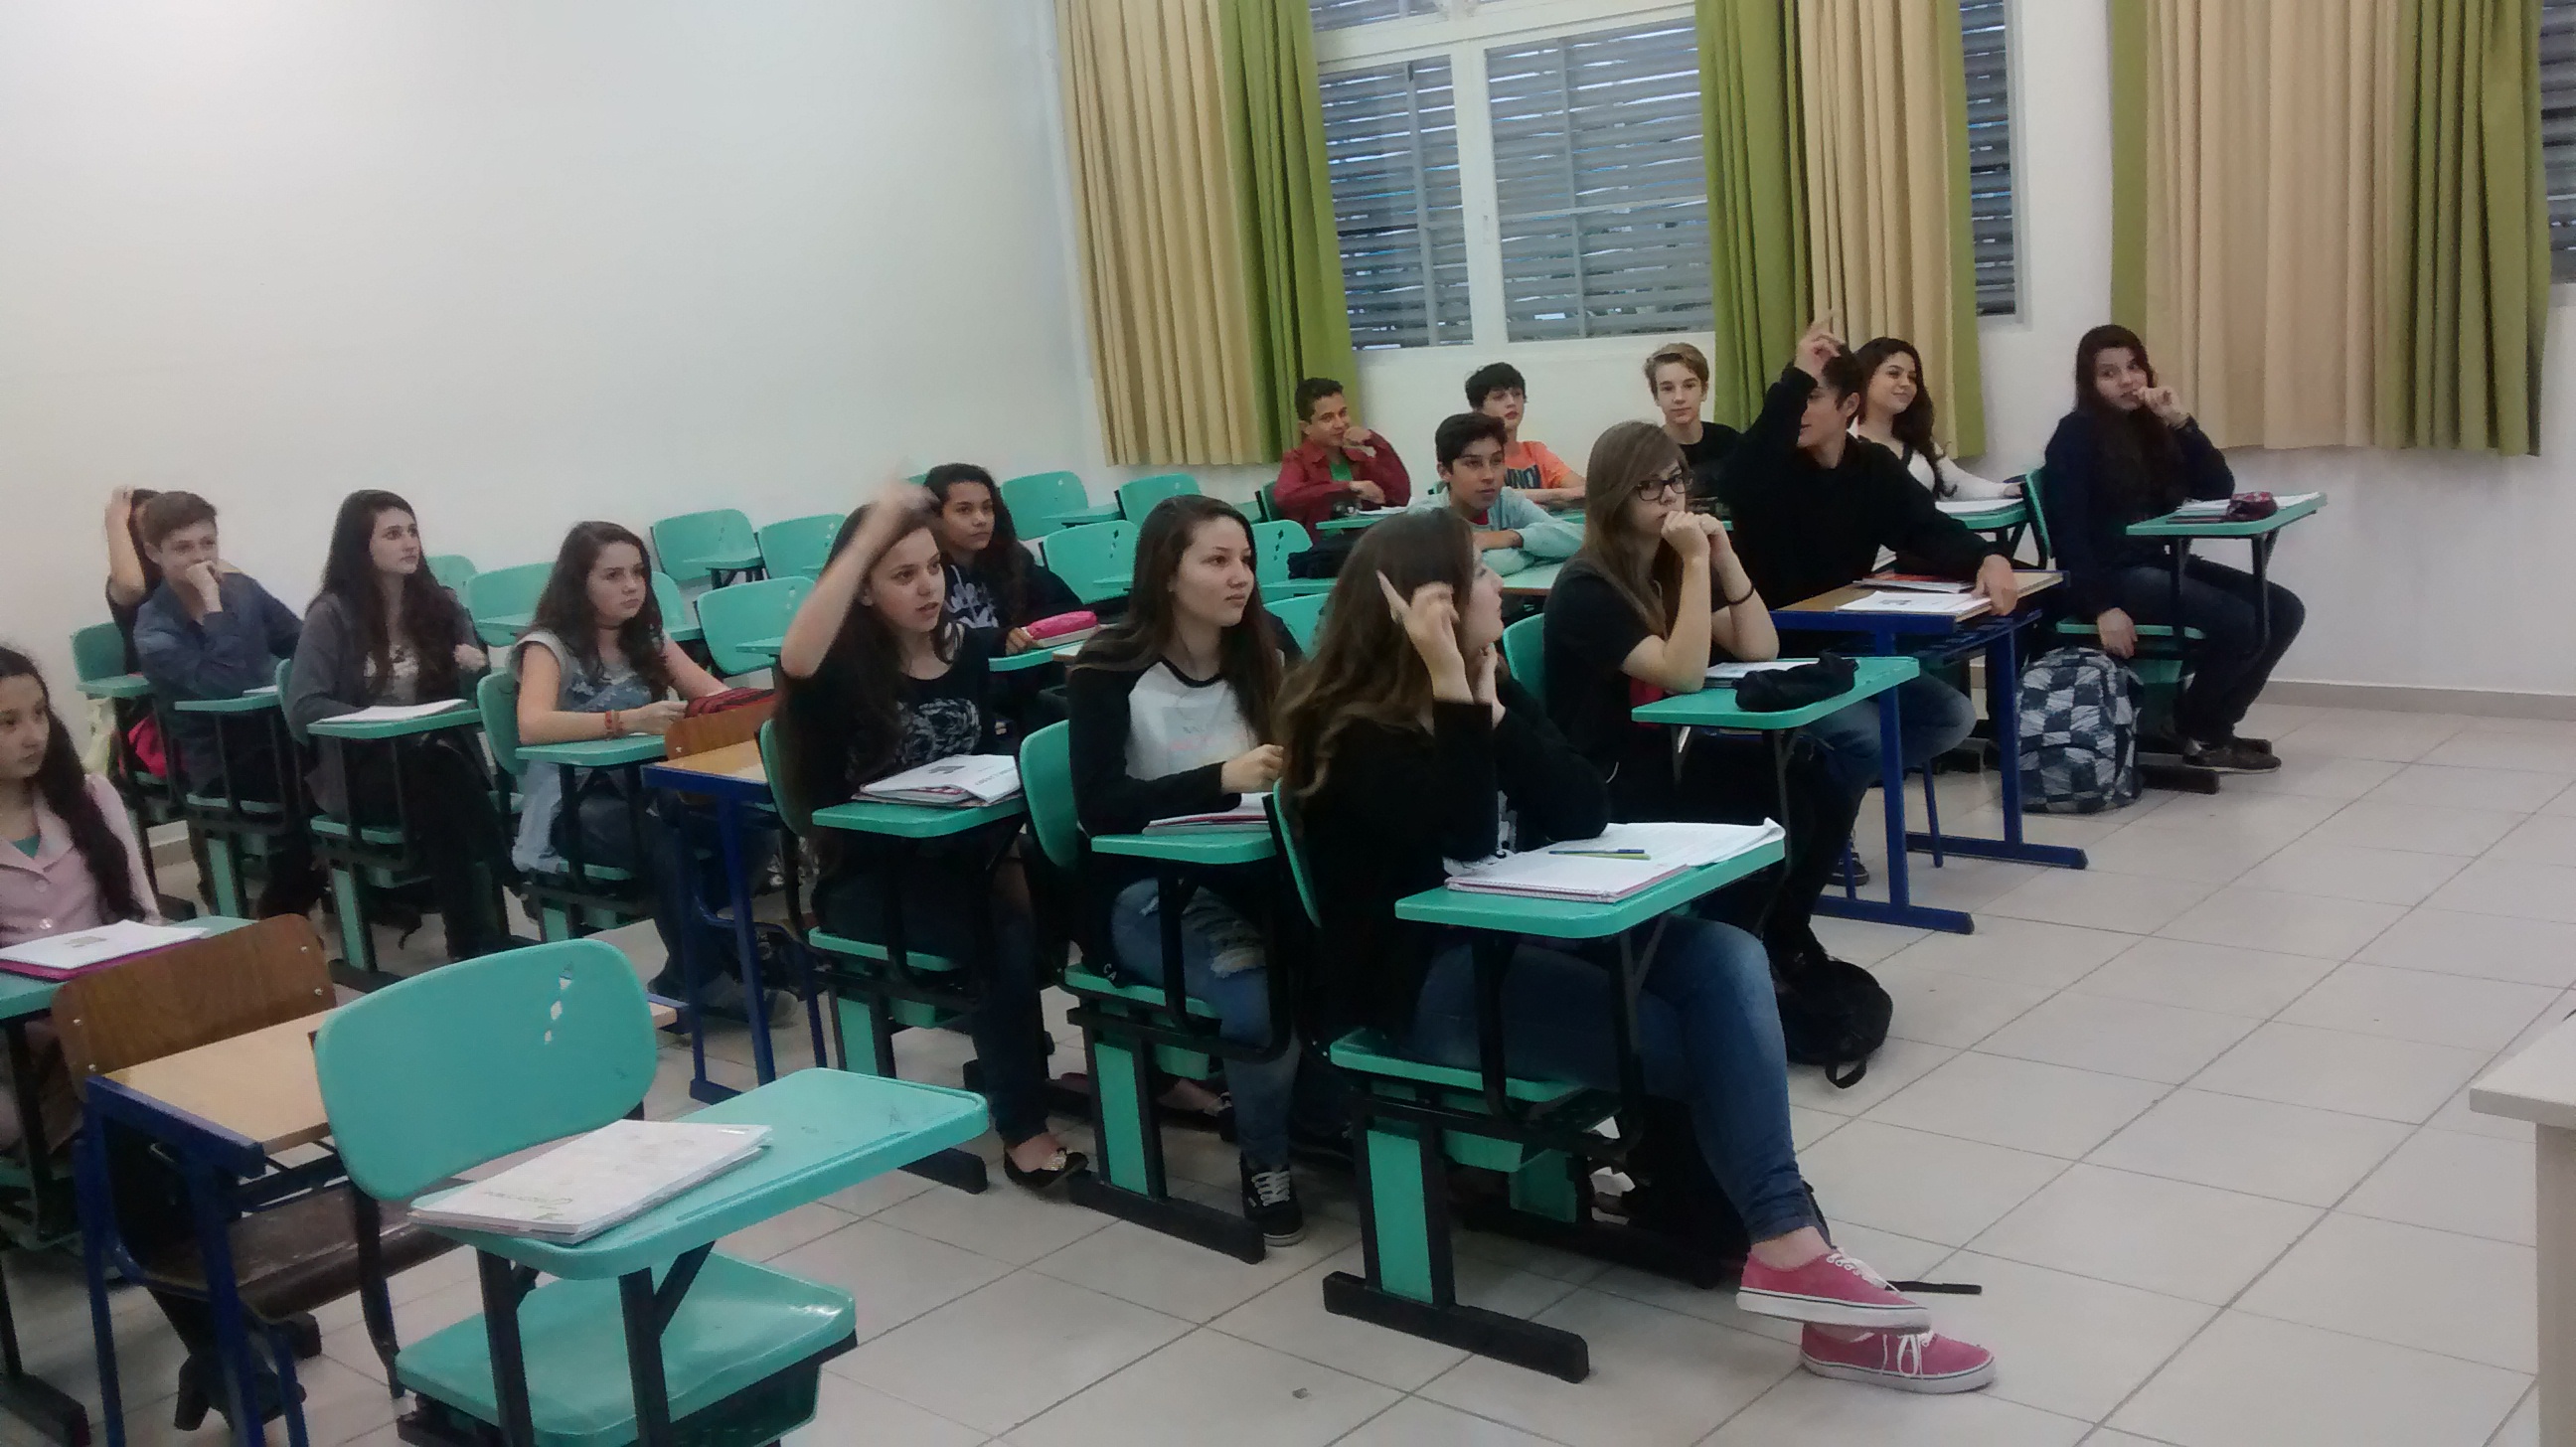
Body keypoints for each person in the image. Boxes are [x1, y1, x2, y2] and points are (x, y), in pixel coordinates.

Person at [1277, 512, 1994, 1393]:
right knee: (1703, 1042)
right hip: (1431, 988)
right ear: (1433, 605)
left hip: (1523, 941)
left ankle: (1788, 1248)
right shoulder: (1350, 731)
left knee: (1725, 955)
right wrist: (1456, 695)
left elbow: (1585, 809)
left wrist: (1492, 707)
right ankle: (1798, 1261)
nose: (1498, 586)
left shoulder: (1485, 683)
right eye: (1479, 574)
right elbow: (1461, 829)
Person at [775, 482, 1083, 1191]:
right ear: (862, 588)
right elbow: (795, 656)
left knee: (1085, 884)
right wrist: (867, 536)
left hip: (971, 858)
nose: (928, 588)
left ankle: (1146, 1072)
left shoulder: (964, 650)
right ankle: (1023, 1127)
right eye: (902, 575)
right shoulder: (835, 671)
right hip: (870, 882)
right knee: (1000, 936)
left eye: (934, 568)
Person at [1066, 494, 1336, 1245]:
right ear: (1166, 573)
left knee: (1350, 954)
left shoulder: (1268, 643)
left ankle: (1320, 1116)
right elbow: (1099, 808)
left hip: (1258, 874)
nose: (1239, 576)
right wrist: (1219, 778)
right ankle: (1265, 1159)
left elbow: (1317, 739)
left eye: (1244, 559)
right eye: (1216, 561)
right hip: (1145, 889)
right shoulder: (1107, 668)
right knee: (1259, 1000)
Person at [1541, 421, 1861, 976]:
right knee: (1778, 810)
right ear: (1615, 496)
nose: (1670, 496)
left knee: (1817, 778)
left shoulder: (1666, 565)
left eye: (1676, 480)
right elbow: (1683, 674)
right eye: (1649, 486)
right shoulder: (1587, 588)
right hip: (1613, 781)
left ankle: (1781, 938)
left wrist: (1722, 555)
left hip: (1667, 756)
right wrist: (1694, 563)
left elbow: (1759, 647)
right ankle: (1720, 953)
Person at [1720, 319, 2018, 796]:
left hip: (1846, 646)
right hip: (1779, 653)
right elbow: (1738, 474)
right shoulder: (1769, 470)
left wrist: (1989, 557)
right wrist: (1798, 376)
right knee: (1867, 738)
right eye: (1794, 397)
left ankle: (1821, 795)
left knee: (1952, 717)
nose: (1798, 410)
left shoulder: (1872, 466)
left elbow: (1925, 528)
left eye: (1812, 397)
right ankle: (1820, 811)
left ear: (1849, 405)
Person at [2040, 325, 2300, 773]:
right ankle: (2201, 730)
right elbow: (2068, 534)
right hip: (2111, 576)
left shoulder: (2149, 427)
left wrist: (2181, 423)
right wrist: (2101, 608)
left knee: (2284, 608)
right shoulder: (2075, 435)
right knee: (2241, 622)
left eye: (2134, 367)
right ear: (2089, 383)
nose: (2127, 381)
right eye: (2109, 373)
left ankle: (2202, 725)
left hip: (2156, 562)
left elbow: (2217, 488)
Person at [512, 521, 753, 996]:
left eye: (639, 573)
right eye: (613, 575)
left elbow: (716, 698)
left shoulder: (649, 638)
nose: (631, 586)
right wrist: (625, 720)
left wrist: (750, 708)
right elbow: (532, 724)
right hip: (570, 803)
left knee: (746, 827)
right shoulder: (548, 645)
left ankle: (698, 964)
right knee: (663, 845)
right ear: (579, 583)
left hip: (644, 787)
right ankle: (707, 976)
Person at [283, 490, 517, 959]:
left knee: (438, 780)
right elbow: (304, 707)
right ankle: (510, 879)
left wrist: (477, 672)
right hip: (363, 771)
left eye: (412, 532)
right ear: (360, 546)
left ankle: (471, 938)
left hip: (438, 763)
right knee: (438, 777)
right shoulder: (331, 614)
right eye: (392, 534)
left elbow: (477, 703)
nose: (409, 543)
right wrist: (378, 720)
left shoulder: (442, 606)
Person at [128, 491, 326, 917]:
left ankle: (299, 902)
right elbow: (225, 683)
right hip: (220, 762)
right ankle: (279, 913)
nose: (200, 557)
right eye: (183, 548)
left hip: (277, 738)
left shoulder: (244, 591)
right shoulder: (153, 630)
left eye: (208, 543)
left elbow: (302, 642)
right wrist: (214, 605)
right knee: (314, 782)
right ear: (154, 553)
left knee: (348, 764)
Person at [0, 646, 156, 1149]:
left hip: (109, 1012)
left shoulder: (89, 797)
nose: (33, 735)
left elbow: (143, 915)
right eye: (8, 723)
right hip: (14, 1047)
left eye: (40, 714)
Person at [925, 463, 1082, 656]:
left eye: (987, 508)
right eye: (964, 510)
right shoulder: (925, 577)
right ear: (935, 517)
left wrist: (1028, 634)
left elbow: (1068, 610)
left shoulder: (1013, 561)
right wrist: (995, 640)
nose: (981, 519)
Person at [1411, 411, 1582, 577]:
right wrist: (1536, 553)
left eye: (1496, 461)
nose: (1489, 475)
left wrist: (1512, 537)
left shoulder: (1506, 501)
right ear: (1444, 472)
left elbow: (1579, 538)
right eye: (1473, 464)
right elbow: (1475, 566)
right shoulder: (1426, 519)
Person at [1850, 338, 2017, 502]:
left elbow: (1957, 483)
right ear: (1865, 378)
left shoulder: (1917, 439)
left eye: (1912, 377)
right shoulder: (1844, 442)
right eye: (1894, 374)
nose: (1906, 383)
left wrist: (2004, 490)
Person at [1271, 378, 1411, 537]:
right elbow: (1285, 497)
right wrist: (1347, 487)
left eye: (1342, 413)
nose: (1340, 424)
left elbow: (1400, 498)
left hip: (1362, 542)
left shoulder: (1356, 458)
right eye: (1327, 418)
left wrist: (1377, 442)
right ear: (1306, 427)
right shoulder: (1297, 459)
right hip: (1324, 546)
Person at [1466, 362, 1583, 508]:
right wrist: (1559, 495)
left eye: (1517, 394)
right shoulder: (1474, 457)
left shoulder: (1536, 452)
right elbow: (1493, 497)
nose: (1511, 402)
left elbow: (1581, 490)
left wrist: (1556, 498)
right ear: (1477, 408)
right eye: (1499, 397)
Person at [1647, 342, 1741, 499]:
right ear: (1656, 396)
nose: (1679, 398)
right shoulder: (1647, 452)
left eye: (1689, 386)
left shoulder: (1730, 442)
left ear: (1704, 391)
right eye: (1668, 388)